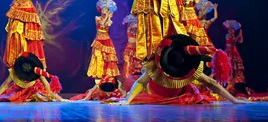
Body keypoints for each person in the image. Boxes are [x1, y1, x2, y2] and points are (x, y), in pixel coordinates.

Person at [105, 34, 248, 105]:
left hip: (178, 94)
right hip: (155, 93)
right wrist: (127, 101)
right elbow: (141, 83)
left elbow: (212, 83)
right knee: (135, 82)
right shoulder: (157, 67)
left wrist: (234, 100)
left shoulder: (189, 68)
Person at [80, 0, 123, 99]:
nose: (103, 11)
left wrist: (108, 16)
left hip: (107, 42)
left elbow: (107, 24)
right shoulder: (97, 18)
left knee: (108, 62)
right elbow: (102, 24)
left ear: (108, 10)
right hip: (99, 41)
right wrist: (107, 16)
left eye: (106, 9)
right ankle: (97, 85)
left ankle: (111, 87)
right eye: (102, 9)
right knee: (98, 60)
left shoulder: (110, 21)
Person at [0, 52, 66, 102]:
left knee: (41, 96)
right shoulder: (14, 72)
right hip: (19, 91)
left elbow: (47, 86)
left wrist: (60, 99)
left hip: (33, 90)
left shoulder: (37, 71)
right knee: (10, 97)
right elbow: (5, 85)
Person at [122, 14, 142, 79]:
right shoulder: (130, 28)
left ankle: (137, 75)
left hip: (136, 47)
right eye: (132, 22)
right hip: (130, 47)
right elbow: (126, 23)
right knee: (128, 62)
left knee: (137, 62)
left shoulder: (138, 28)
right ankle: (128, 77)